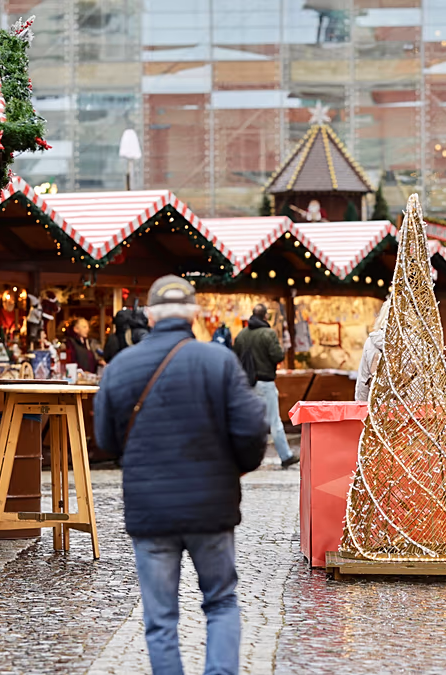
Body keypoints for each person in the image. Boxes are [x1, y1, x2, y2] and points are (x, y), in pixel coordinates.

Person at [95, 275, 268, 675]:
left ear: (150, 316)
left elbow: (106, 438)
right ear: (194, 314)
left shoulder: (121, 368)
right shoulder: (219, 361)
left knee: (160, 619)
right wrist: (235, 469)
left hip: (150, 511)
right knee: (221, 602)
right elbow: (252, 430)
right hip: (212, 507)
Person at [233, 304, 299, 468]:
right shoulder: (268, 334)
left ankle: (242, 457)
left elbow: (235, 357)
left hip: (247, 384)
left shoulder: (241, 335)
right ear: (265, 317)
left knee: (248, 421)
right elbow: (277, 355)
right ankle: (285, 455)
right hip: (265, 382)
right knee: (274, 421)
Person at [356, 296, 392, 402]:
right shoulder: (414, 344)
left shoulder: (371, 342)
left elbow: (363, 379)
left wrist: (361, 405)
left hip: (377, 404)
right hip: (406, 409)